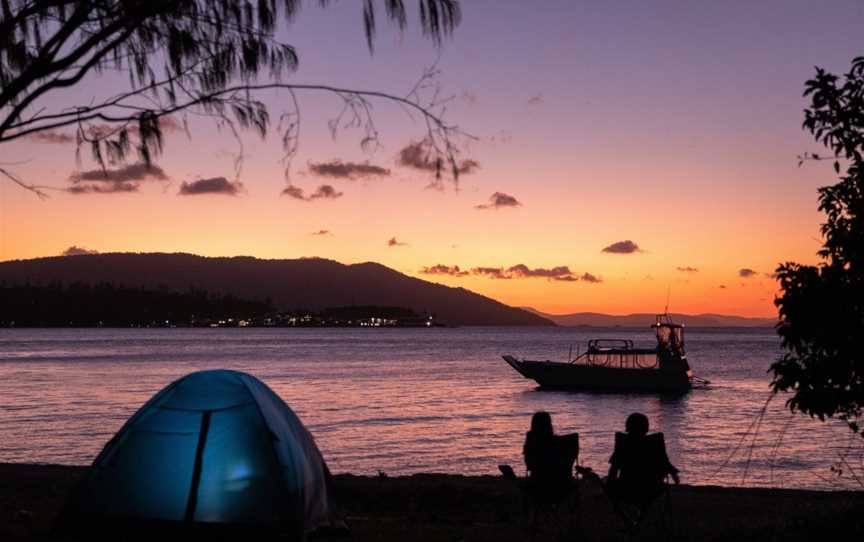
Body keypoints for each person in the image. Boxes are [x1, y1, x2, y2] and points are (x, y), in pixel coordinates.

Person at [607, 413, 679, 504]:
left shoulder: (623, 443)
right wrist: (674, 474)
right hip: (651, 488)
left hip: (626, 488)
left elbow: (613, 469)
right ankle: (642, 510)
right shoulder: (654, 443)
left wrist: (609, 488)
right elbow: (664, 462)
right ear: (646, 428)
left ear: (627, 427)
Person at [523, 412, 577, 503]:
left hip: (538, 487)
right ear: (549, 424)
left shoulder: (532, 443)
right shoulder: (560, 443)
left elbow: (529, 466)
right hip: (563, 487)